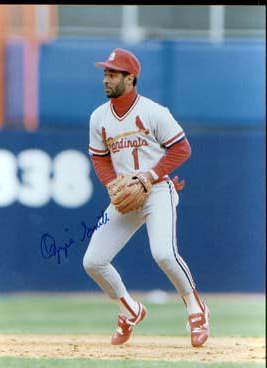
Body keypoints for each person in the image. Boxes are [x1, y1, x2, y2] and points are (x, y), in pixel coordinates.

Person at [83, 48, 210, 348]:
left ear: (131, 78)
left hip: (158, 190)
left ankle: (196, 309)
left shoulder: (153, 111)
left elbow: (182, 149)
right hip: (126, 195)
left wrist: (149, 176)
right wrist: (111, 184)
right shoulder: (99, 117)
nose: (106, 79)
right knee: (93, 261)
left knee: (163, 253)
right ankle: (130, 309)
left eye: (113, 74)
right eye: (105, 73)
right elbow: (99, 157)